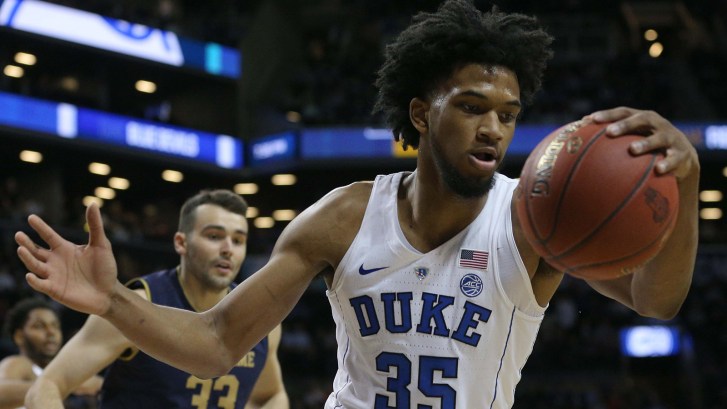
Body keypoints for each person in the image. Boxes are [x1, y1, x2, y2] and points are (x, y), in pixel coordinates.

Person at [15, 1, 700, 407]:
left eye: (507, 113)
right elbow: (219, 341)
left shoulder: (528, 221)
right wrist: (111, 301)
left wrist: (685, 184)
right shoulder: (343, 216)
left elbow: (654, 298)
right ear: (420, 114)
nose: (493, 127)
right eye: (470, 107)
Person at [22, 189, 289, 409]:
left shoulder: (257, 319)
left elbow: (271, 396)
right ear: (181, 243)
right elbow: (46, 386)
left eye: (238, 240)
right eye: (214, 236)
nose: (228, 249)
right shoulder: (134, 305)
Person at [0, 298, 102, 409]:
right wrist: (63, 385)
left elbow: (99, 385)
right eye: (39, 326)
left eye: (55, 326)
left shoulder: (63, 372)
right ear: (19, 337)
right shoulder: (19, 363)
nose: (51, 332)